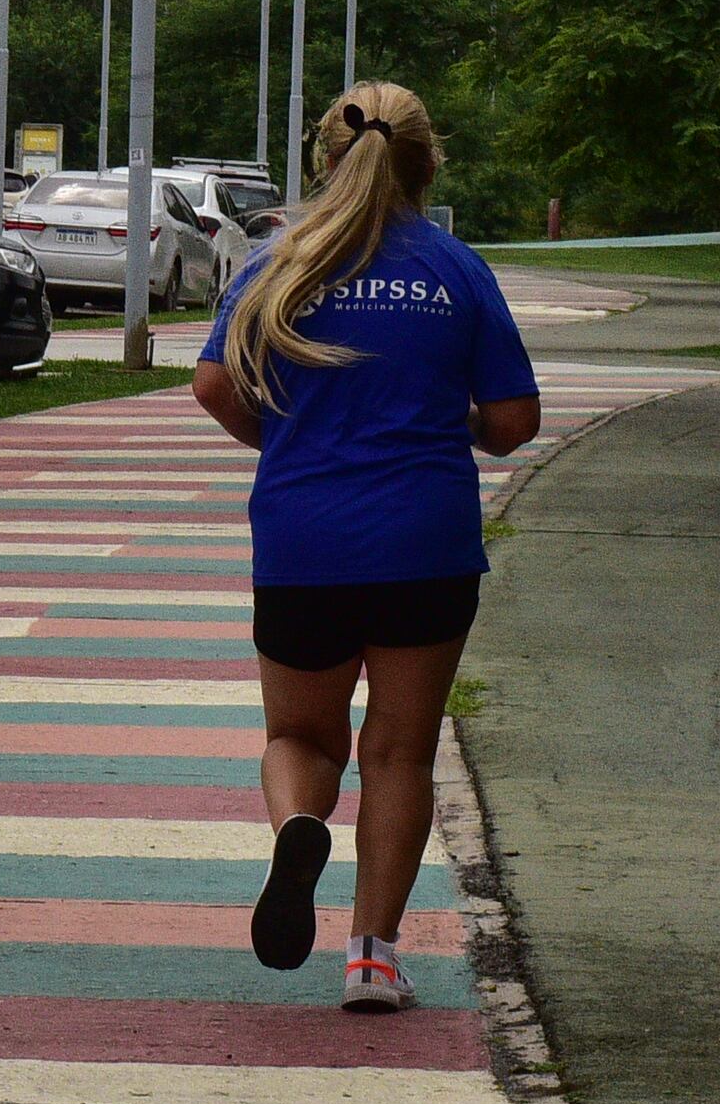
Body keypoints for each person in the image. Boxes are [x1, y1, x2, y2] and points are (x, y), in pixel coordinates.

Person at [186, 82, 539, 1007]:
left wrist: (294, 440)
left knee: (300, 733)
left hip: (304, 536)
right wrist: (454, 421)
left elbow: (214, 385)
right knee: (399, 751)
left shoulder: (278, 261)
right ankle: (374, 956)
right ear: (426, 165)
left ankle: (299, 823)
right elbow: (513, 418)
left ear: (323, 159)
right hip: (426, 539)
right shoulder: (457, 269)